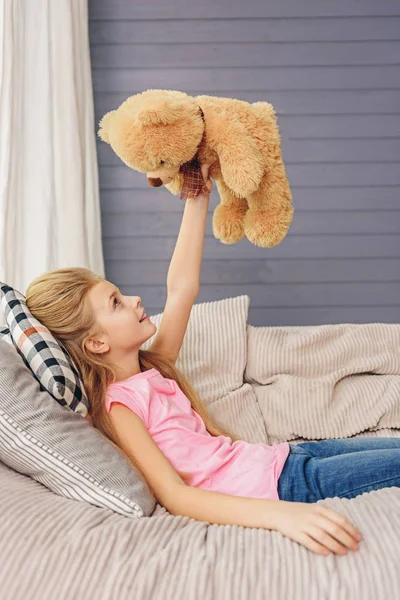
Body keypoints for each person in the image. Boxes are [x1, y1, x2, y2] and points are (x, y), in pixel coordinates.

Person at [25, 163, 399, 559]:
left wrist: (198, 195)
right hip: (286, 486)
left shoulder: (153, 368)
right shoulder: (118, 407)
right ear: (97, 343)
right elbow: (175, 494)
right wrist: (282, 516)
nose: (133, 300)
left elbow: (181, 289)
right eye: (116, 302)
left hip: (287, 457)